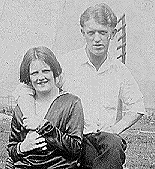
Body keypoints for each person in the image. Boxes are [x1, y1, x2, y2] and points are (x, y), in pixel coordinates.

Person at [10, 3, 147, 169]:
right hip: (71, 137)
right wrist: (32, 119)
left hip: (103, 139)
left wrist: (115, 129)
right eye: (91, 32)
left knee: (112, 145)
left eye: (103, 32)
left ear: (113, 33)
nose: (97, 39)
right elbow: (28, 87)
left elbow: (137, 107)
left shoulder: (120, 71)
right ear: (83, 33)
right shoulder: (67, 63)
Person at [6, 46, 84, 169]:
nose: (40, 77)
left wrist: (44, 127)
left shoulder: (71, 103)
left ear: (54, 72)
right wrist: (23, 147)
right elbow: (12, 149)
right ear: (28, 77)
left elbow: (76, 148)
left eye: (45, 71)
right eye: (34, 73)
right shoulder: (21, 109)